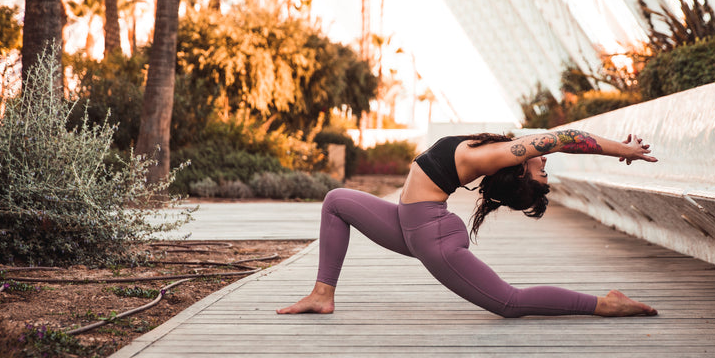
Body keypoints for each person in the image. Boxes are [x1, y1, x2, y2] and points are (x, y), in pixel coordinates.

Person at [278, 128, 658, 318]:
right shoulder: (504, 148)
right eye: (544, 167)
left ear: (521, 172)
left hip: (430, 236)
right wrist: (620, 149)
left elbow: (563, 139)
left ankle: (604, 304)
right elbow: (558, 136)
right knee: (336, 201)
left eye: (542, 172)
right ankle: (322, 295)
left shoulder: (506, 154)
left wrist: (623, 151)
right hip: (406, 223)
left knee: (509, 302)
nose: (545, 163)